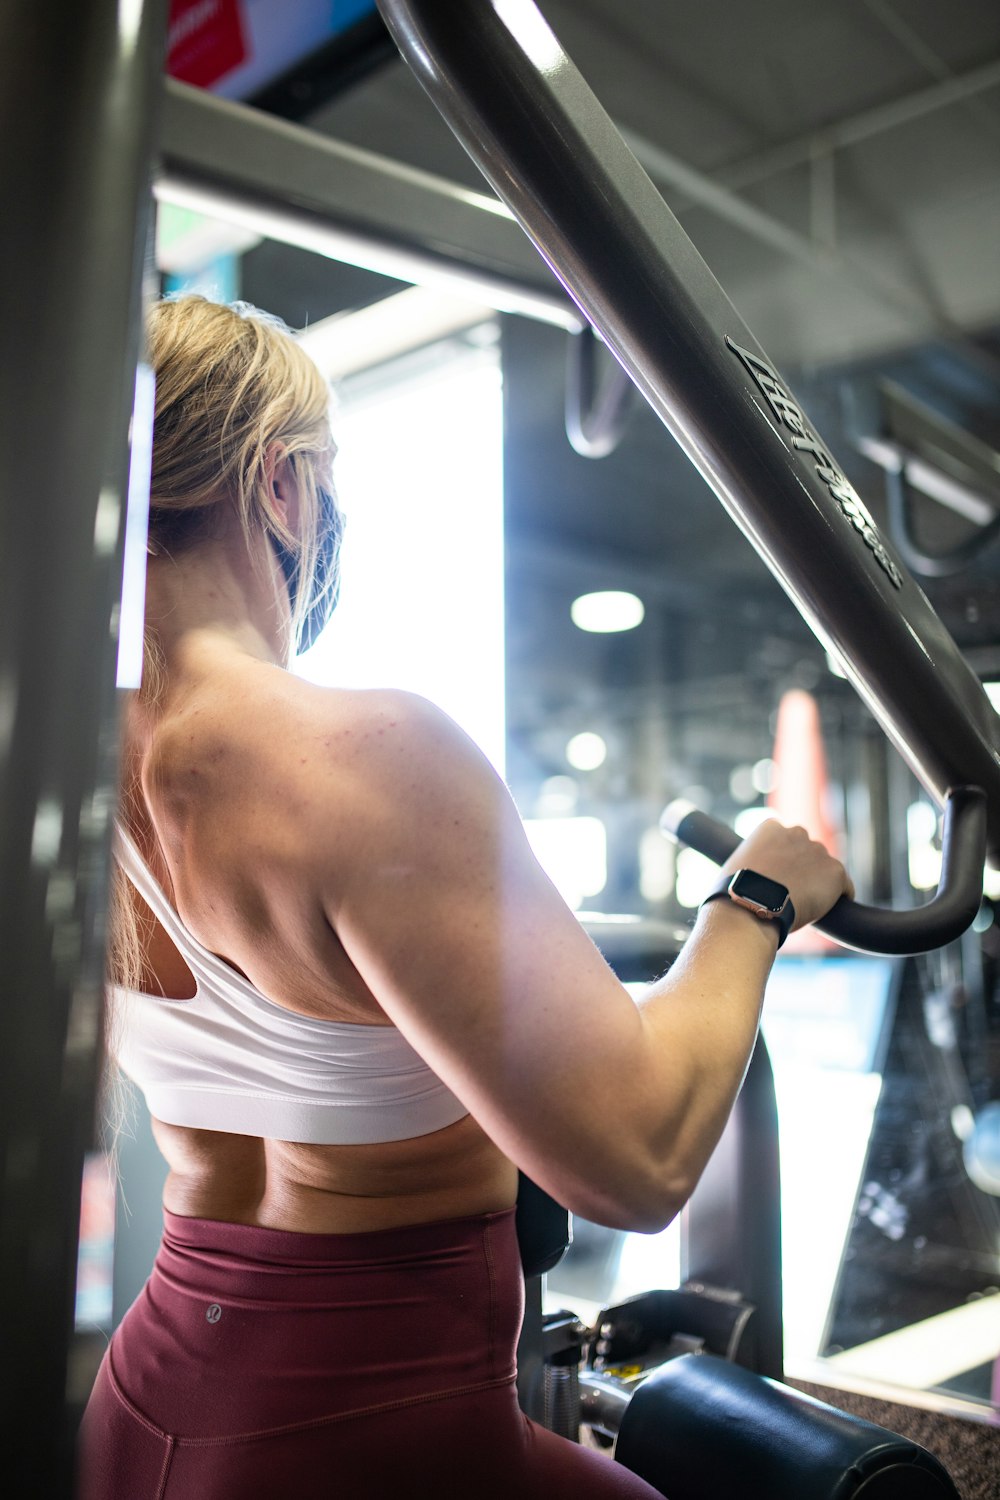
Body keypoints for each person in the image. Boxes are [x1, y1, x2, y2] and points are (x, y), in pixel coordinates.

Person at [78, 295, 852, 1499]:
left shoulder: (59, 772)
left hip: (148, 1406)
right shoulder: (362, 754)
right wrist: (754, 900)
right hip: (372, 1435)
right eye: (325, 485)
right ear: (281, 486)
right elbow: (635, 1162)